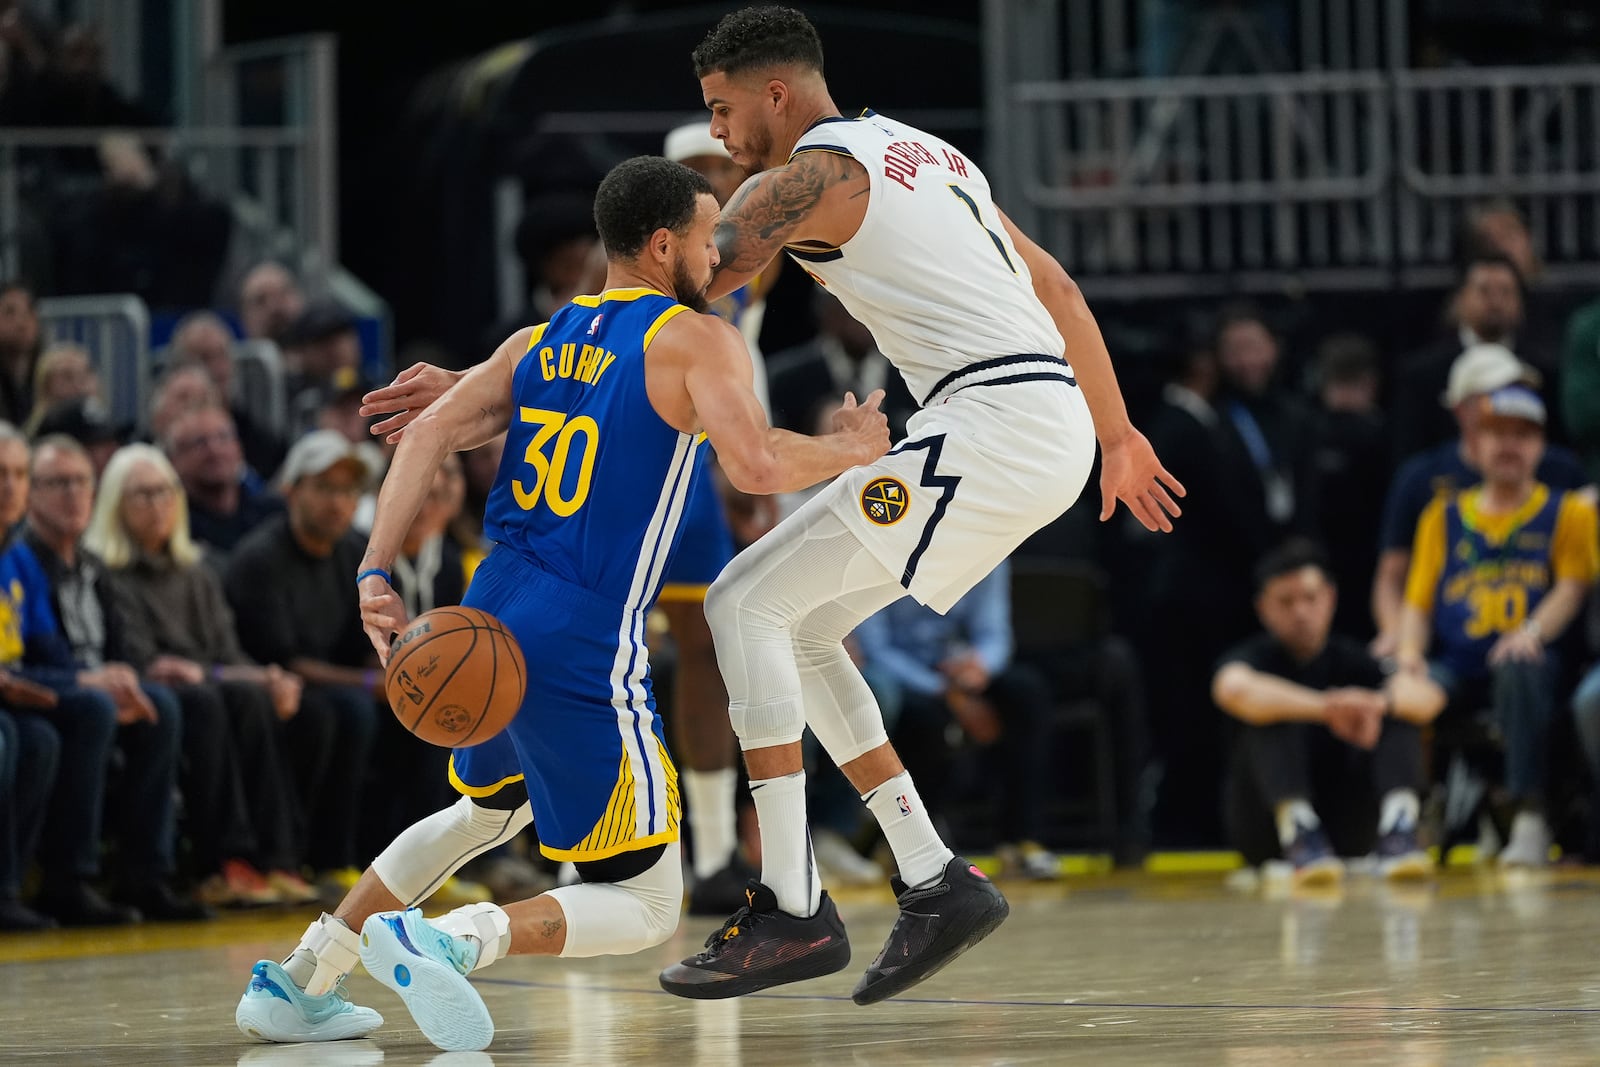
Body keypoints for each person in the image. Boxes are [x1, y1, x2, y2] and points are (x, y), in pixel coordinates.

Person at [235, 155, 888, 1051]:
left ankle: (301, 977)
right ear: (663, 245)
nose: (719, 255)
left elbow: (426, 432)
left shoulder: (538, 341)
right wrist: (852, 450)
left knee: (488, 811)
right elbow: (757, 466)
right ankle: (450, 937)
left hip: (488, 606)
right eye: (707, 238)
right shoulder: (699, 339)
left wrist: (374, 571)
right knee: (651, 902)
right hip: (581, 632)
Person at [655, 4, 1180, 1006]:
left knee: (738, 604)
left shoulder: (807, 174)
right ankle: (933, 875)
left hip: (990, 422)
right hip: (1035, 416)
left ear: (776, 93)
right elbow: (1060, 287)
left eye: (722, 112)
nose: (717, 137)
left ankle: (788, 904)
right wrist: (1115, 434)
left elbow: (699, 275)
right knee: (799, 628)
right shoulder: (925, 150)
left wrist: (540, 361)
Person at [88, 442, 309, 907]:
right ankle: (222, 862)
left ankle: (278, 858)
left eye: (165, 492)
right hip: (164, 690)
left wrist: (268, 677)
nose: (157, 504)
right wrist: (226, 675)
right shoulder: (110, 573)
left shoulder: (198, 570)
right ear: (115, 505)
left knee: (256, 698)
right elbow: (143, 658)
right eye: (142, 495)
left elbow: (228, 651)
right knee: (209, 702)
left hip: (208, 680)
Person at [1396, 385, 1599, 867]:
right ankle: (1405, 819)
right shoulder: (1441, 515)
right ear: (1475, 443)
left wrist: (1531, 632)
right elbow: (1418, 603)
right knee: (1401, 692)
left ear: (1541, 446)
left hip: (1530, 659)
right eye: (1498, 434)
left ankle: (1529, 812)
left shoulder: (1568, 512)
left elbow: (1571, 588)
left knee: (1519, 666)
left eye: (1522, 436)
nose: (1509, 446)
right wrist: (1408, 657)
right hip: (1457, 662)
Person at [1213, 540, 1446, 887]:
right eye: (1286, 602)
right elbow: (1233, 689)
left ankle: (1399, 831)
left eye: (1310, 598)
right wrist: (1327, 709)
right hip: (1265, 834)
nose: (1301, 612)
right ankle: (1299, 832)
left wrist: (1376, 704)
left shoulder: (1353, 659)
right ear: (1263, 608)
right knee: (1272, 710)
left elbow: (1430, 698)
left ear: (1331, 598)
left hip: (1349, 827)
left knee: (1398, 707)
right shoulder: (1253, 656)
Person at [854, 559, 1062, 879]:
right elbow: (876, 648)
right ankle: (908, 842)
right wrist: (943, 690)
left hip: (959, 669)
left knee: (1026, 694)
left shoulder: (988, 541)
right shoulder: (884, 548)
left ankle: (1020, 840)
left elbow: (995, 634)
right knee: (925, 719)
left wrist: (979, 669)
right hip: (903, 673)